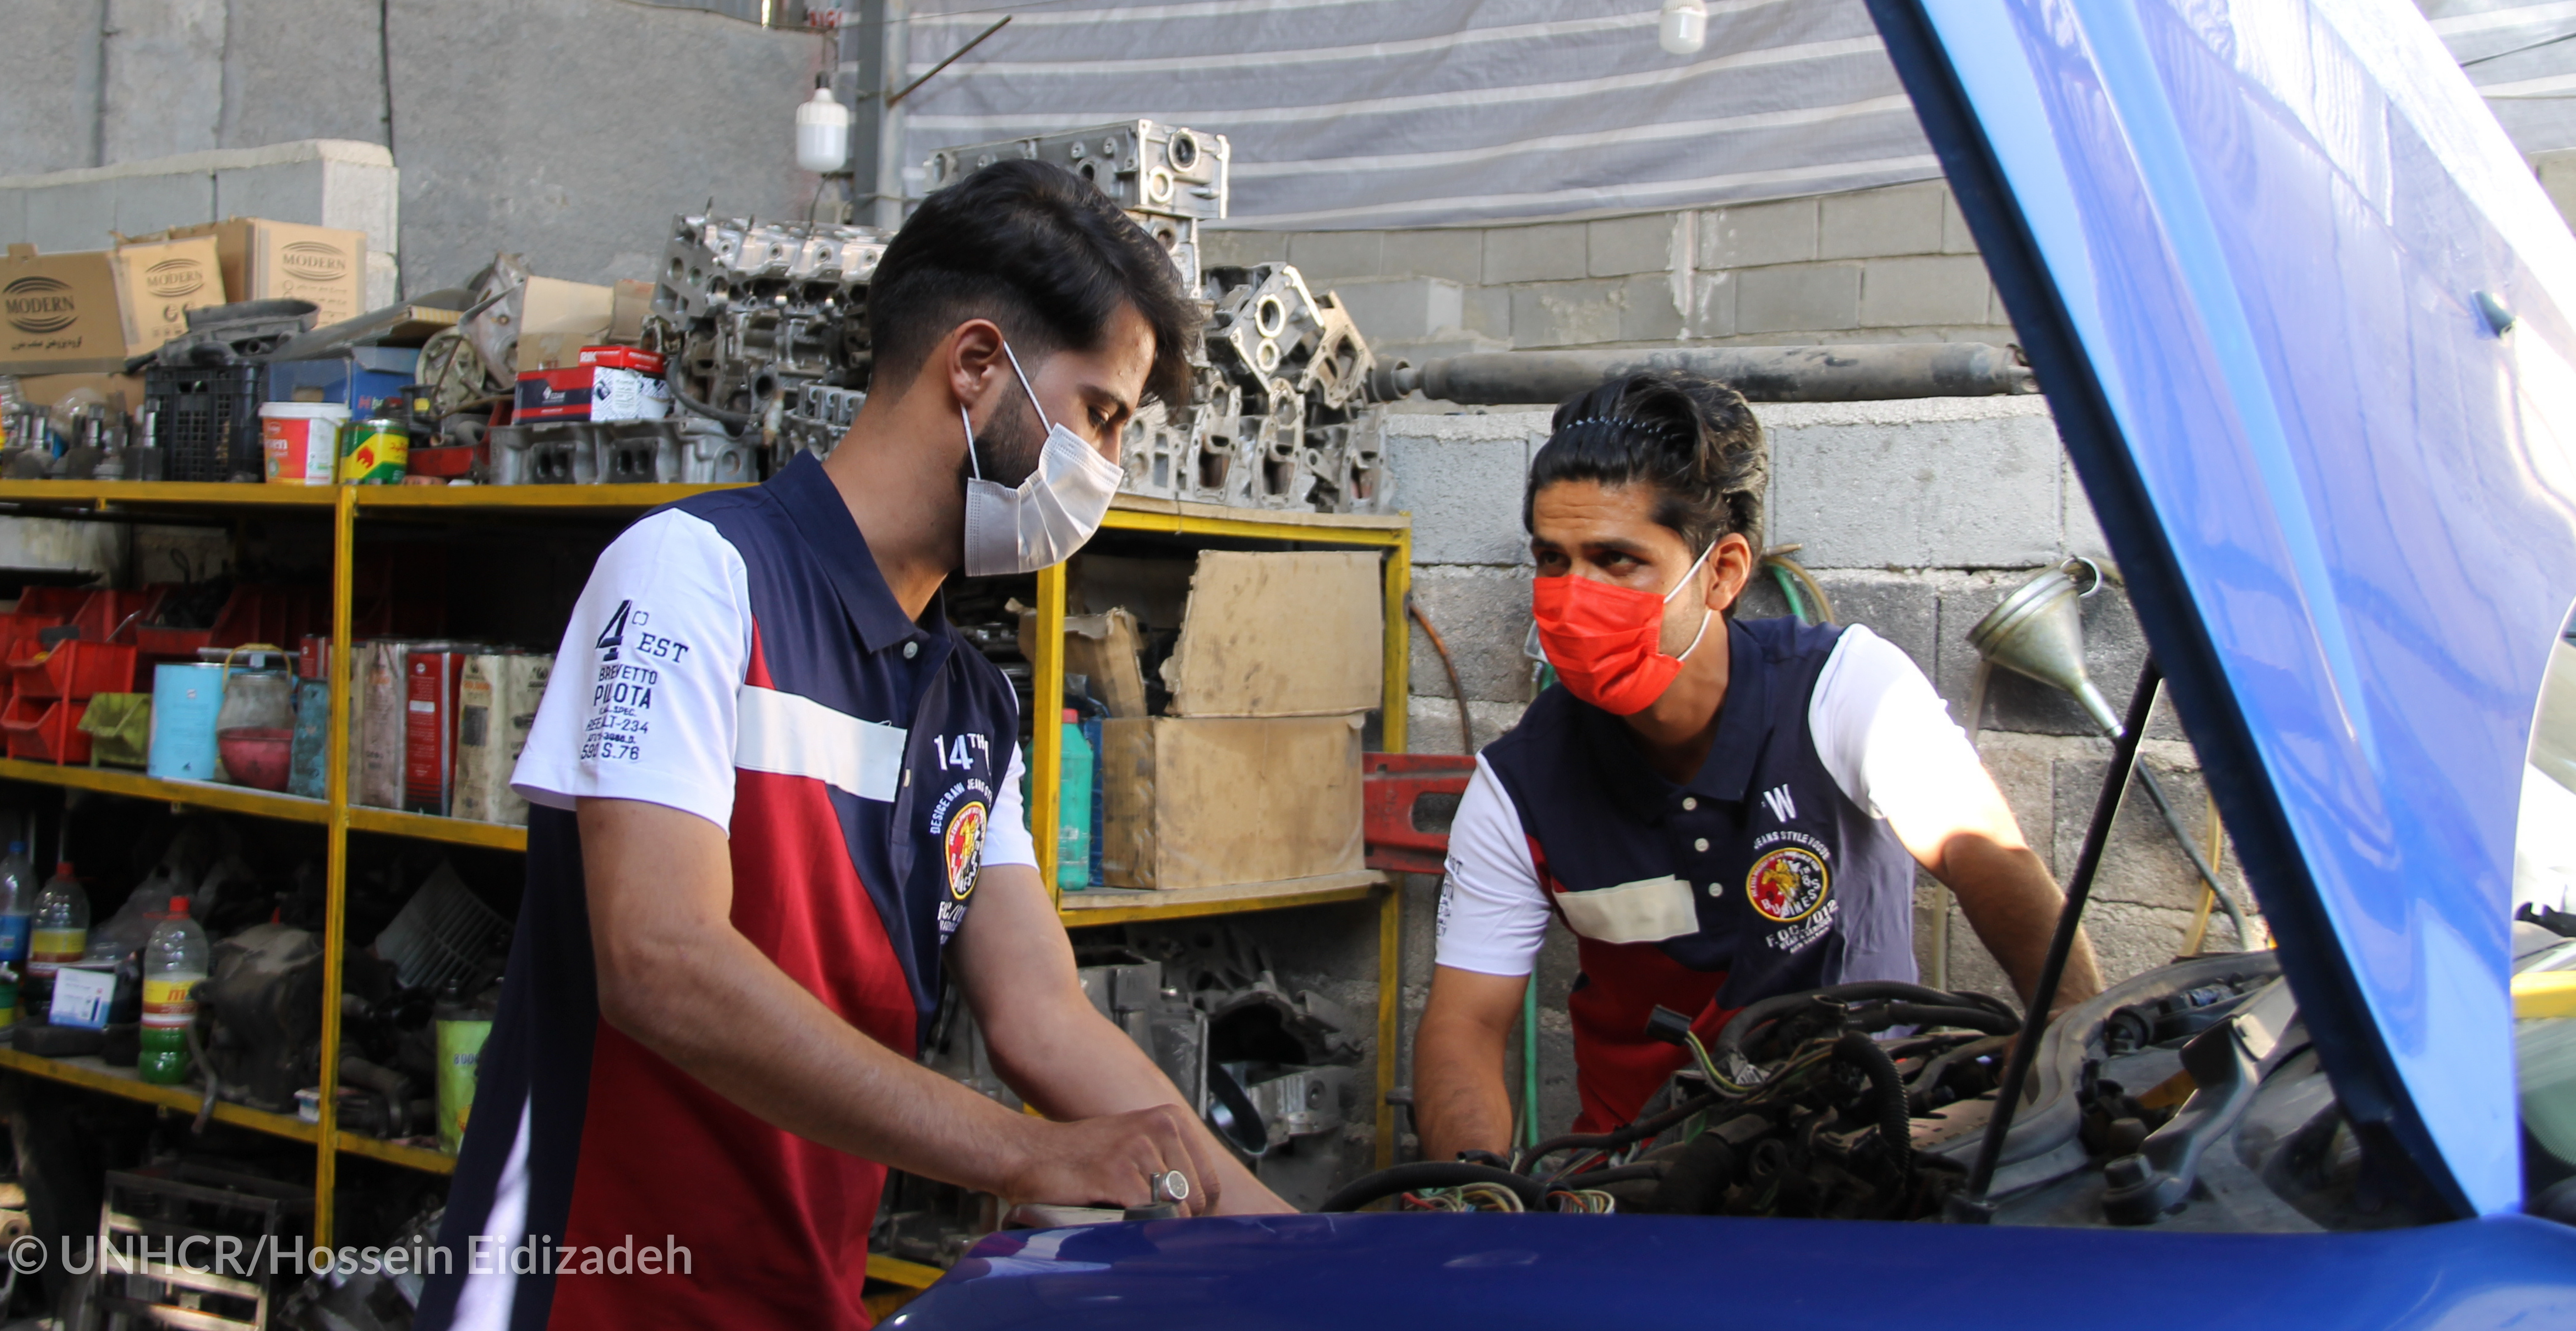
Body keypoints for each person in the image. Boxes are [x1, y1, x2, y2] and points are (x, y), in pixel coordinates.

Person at [418, 161, 1289, 1331]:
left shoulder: (970, 706)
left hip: (795, 1296)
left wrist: (1297, 1247)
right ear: (977, 368)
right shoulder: (697, 578)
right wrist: (1025, 1158)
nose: (1110, 471)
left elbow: (1042, 1020)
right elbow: (661, 963)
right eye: (1102, 415)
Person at [1410, 372, 2098, 1158]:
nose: (1574, 596)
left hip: (1864, 1144)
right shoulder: (1518, 788)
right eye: (1552, 560)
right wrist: (1472, 1187)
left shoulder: (1847, 692)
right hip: (1645, 1179)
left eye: (1617, 560)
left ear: (1724, 572)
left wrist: (2073, 1028)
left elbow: (1989, 859)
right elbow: (1467, 1021)